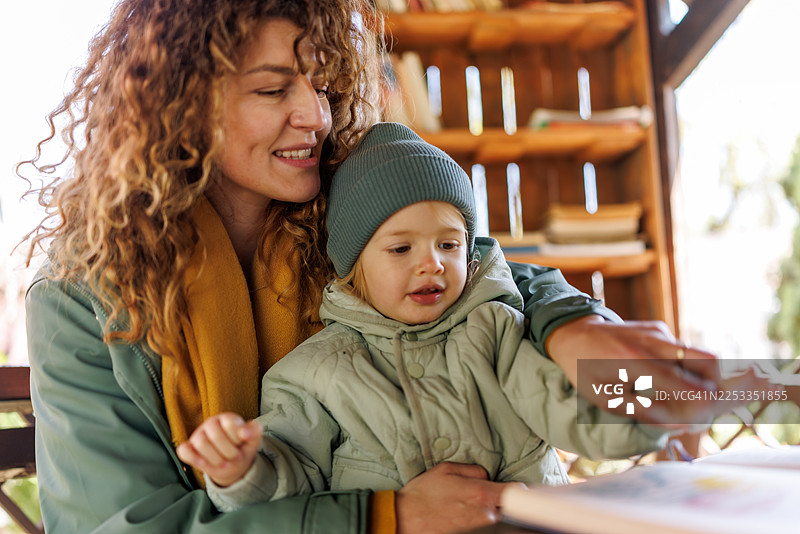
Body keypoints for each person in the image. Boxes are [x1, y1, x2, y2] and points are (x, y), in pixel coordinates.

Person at [20, 0, 727, 532]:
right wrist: (384, 518)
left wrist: (571, 326)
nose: (316, 118)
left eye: (322, 87)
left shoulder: (348, 209)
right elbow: (117, 525)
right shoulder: (81, 294)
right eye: (273, 90)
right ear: (180, 102)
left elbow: (477, 267)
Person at [176, 122, 671, 511]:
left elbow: (565, 407)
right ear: (353, 269)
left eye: (449, 244)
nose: (431, 262)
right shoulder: (314, 373)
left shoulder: (496, 330)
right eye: (400, 248)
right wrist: (241, 470)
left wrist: (640, 403)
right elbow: (293, 472)